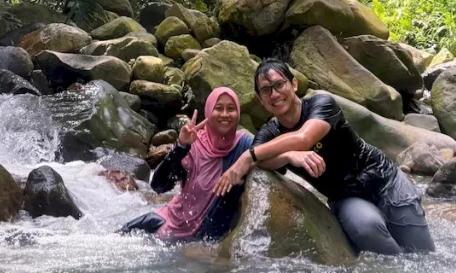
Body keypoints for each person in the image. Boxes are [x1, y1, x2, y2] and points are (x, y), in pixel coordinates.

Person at [215, 60, 435, 255]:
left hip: (384, 180)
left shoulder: (321, 104)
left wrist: (248, 154)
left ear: (293, 84)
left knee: (423, 255)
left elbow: (303, 138)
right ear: (261, 100)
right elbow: (262, 162)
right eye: (266, 90)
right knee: (367, 229)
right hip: (346, 196)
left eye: (279, 85)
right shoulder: (269, 133)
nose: (274, 94)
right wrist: (289, 156)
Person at [120, 85, 325, 244]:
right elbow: (158, 186)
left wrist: (289, 155)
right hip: (170, 218)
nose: (225, 115)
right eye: (218, 109)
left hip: (202, 234)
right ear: (209, 113)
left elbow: (266, 157)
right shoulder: (194, 142)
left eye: (231, 109)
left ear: (238, 113)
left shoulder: (243, 144)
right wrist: (181, 146)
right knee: (119, 237)